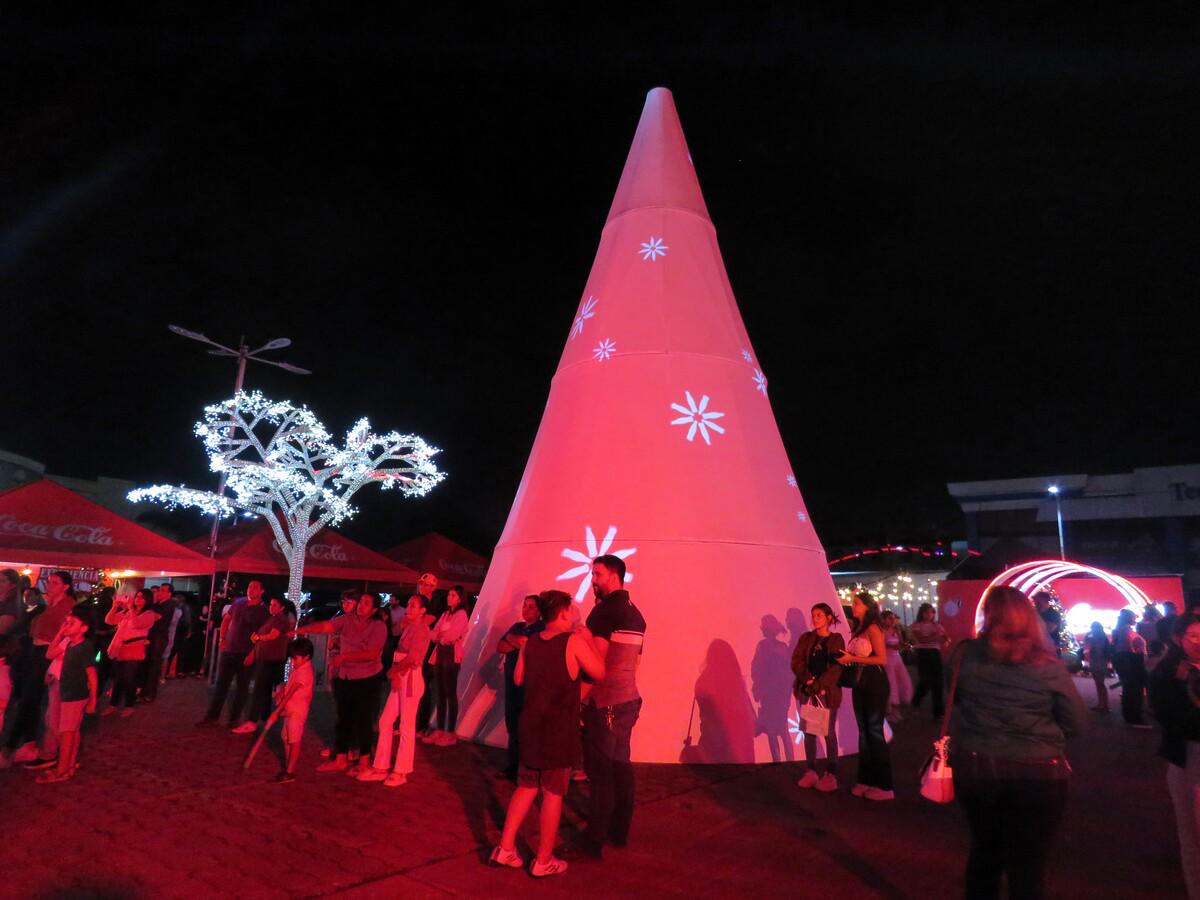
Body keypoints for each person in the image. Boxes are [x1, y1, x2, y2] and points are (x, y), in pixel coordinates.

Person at [949, 585, 1086, 900]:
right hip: (1038, 772)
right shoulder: (1047, 665)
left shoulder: (965, 655)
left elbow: (953, 699)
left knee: (984, 853)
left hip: (977, 765)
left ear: (988, 616)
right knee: (1028, 865)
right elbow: (1077, 722)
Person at [492, 589, 605, 877]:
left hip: (530, 722)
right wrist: (589, 640)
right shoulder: (573, 642)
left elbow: (519, 678)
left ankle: (505, 848)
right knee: (553, 793)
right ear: (564, 612)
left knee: (526, 786)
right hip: (557, 728)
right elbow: (600, 672)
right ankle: (543, 859)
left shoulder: (529, 642)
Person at [580, 554, 647, 857]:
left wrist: (579, 698)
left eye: (597, 574)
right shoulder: (636, 613)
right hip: (629, 699)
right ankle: (619, 832)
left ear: (614, 576)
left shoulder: (604, 613)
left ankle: (593, 842)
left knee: (601, 772)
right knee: (621, 767)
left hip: (605, 701)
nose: (592, 580)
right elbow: (636, 662)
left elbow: (596, 663)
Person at [297, 592, 387, 776]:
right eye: (361, 601)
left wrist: (344, 657)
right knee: (343, 719)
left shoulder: (378, 626)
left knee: (364, 720)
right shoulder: (347, 619)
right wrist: (300, 630)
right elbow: (327, 626)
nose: (361, 605)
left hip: (367, 678)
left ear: (374, 609)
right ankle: (340, 759)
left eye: (366, 603)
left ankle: (363, 761)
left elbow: (372, 654)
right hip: (346, 676)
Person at [1149, 614, 1200, 898]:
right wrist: (1185, 688)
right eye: (1193, 635)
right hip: (1190, 755)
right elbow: (1169, 718)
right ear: (1179, 639)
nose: (1199, 642)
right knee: (1194, 834)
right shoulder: (1167, 673)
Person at [360, 594, 432, 786]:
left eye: (413, 606)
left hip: (409, 677)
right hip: (401, 675)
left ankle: (401, 771)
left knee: (406, 725)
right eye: (408, 604)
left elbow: (414, 657)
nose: (409, 608)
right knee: (386, 721)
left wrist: (394, 671)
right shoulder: (410, 627)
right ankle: (381, 766)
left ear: (423, 610)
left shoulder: (422, 630)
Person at [4, 571, 75, 764]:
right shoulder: (47, 604)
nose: (49, 585)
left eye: (54, 583)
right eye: (49, 582)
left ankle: (22, 744)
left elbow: (68, 637)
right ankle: (25, 743)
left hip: (46, 655)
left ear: (65, 586)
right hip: (34, 653)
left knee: (31, 700)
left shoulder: (67, 606)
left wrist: (55, 665)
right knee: (28, 699)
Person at [837, 591, 893, 800]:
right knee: (863, 732)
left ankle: (885, 785)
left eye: (857, 603)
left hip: (874, 682)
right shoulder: (858, 628)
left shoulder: (872, 628)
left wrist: (852, 657)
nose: (853, 606)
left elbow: (881, 659)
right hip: (860, 682)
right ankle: (866, 779)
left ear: (867, 607)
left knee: (874, 731)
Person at [197, 580, 270, 729]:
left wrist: (253, 653)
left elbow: (262, 634)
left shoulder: (263, 610)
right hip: (230, 649)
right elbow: (227, 619)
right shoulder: (239, 603)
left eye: (255, 587)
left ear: (262, 591)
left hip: (246, 652)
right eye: (250, 586)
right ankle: (212, 716)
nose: (251, 589)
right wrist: (222, 639)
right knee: (221, 684)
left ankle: (234, 719)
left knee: (242, 688)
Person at [37, 607, 97, 783]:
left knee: (67, 732)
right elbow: (50, 653)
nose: (67, 626)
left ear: (84, 628)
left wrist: (93, 699)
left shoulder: (84, 647)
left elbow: (92, 675)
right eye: (66, 622)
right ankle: (68, 765)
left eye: (72, 623)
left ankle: (62, 769)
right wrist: (61, 633)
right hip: (68, 693)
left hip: (75, 695)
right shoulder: (70, 643)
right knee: (72, 731)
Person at [791, 602, 845, 791]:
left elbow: (836, 667)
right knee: (809, 732)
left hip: (827, 693)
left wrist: (820, 685)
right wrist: (808, 681)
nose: (815, 619)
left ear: (829, 617)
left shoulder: (836, 639)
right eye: (813, 615)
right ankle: (811, 770)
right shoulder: (806, 638)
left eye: (819, 615)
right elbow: (796, 661)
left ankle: (831, 773)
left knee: (828, 731)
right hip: (808, 691)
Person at [497, 595, 545, 777]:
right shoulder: (517, 627)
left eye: (531, 607)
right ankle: (513, 765)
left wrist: (511, 640)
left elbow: (530, 646)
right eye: (525, 606)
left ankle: (526, 768)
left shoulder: (541, 628)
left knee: (525, 726)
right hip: (510, 682)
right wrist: (514, 640)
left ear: (540, 611)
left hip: (528, 684)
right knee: (512, 723)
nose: (526, 610)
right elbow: (500, 646)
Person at [234, 596, 294, 734]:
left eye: (274, 605)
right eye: (271, 604)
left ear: (282, 607)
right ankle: (265, 718)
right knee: (266, 690)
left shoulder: (281, 620)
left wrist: (259, 637)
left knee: (260, 690)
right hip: (266, 658)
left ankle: (253, 721)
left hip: (271, 659)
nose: (271, 607)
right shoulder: (272, 618)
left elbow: (274, 635)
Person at [424, 585, 469, 747]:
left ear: (459, 598)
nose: (449, 597)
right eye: (449, 594)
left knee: (450, 693)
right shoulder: (444, 614)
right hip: (440, 654)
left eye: (453, 595)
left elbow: (452, 635)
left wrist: (441, 636)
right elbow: (432, 633)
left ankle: (450, 731)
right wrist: (440, 636)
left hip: (451, 655)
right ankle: (440, 729)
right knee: (440, 692)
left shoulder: (461, 615)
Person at [102, 587, 158, 717]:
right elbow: (109, 620)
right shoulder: (128, 611)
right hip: (120, 648)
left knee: (129, 679)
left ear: (147, 600)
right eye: (137, 596)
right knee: (118, 679)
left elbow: (136, 624)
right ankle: (113, 705)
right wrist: (115, 606)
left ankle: (129, 705)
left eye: (141, 597)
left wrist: (130, 608)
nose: (137, 599)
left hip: (134, 648)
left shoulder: (149, 614)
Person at [271, 638, 316, 785]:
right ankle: (288, 767)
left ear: (306, 657)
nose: (292, 661)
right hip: (291, 709)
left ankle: (290, 771)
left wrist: (277, 711)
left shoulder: (305, 672)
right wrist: (280, 692)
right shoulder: (298, 669)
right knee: (286, 738)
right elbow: (288, 688)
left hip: (297, 711)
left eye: (295, 658)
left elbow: (291, 693)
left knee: (294, 740)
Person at [909, 602, 949, 719]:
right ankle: (916, 701)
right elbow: (921, 639)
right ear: (921, 613)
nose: (929, 615)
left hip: (935, 654)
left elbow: (945, 638)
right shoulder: (917, 625)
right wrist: (935, 637)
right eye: (926, 612)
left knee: (938, 683)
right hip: (923, 654)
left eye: (931, 612)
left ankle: (938, 712)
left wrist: (943, 639)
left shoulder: (937, 626)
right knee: (925, 682)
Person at [1113, 609, 1151, 729]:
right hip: (1132, 662)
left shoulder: (1121, 630)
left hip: (1126, 662)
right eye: (1134, 617)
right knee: (1134, 691)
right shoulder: (1126, 631)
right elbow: (1133, 647)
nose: (1136, 619)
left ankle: (1131, 716)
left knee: (1129, 690)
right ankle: (1134, 718)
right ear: (1128, 618)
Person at [414, 572, 441, 737]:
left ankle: (421, 725)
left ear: (432, 587)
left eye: (425, 584)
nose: (421, 586)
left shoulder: (436, 603)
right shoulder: (418, 601)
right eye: (420, 584)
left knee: (424, 689)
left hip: (429, 651)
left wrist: (413, 622)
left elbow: (426, 621)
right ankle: (411, 723)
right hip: (417, 648)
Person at [140, 584, 174, 702]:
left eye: (163, 591)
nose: (159, 592)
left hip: (159, 639)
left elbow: (156, 617)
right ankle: (143, 692)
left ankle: (150, 694)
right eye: (159, 590)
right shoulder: (156, 605)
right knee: (147, 665)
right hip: (152, 637)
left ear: (169, 594)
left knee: (153, 666)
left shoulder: (169, 605)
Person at [880, 610, 913, 722]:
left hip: (897, 658)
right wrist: (892, 646)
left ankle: (896, 710)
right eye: (889, 618)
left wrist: (905, 645)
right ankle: (890, 710)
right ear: (883, 619)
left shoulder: (895, 630)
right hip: (888, 659)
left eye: (893, 618)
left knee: (902, 681)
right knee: (891, 683)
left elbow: (901, 642)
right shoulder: (881, 631)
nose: (892, 620)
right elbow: (882, 645)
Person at [1084, 621, 1112, 713]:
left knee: (1100, 683)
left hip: (1098, 661)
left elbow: (1093, 649)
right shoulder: (1101, 637)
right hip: (1098, 661)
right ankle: (1102, 703)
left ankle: (1103, 704)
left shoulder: (1098, 638)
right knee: (1099, 683)